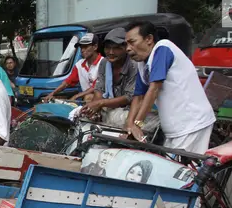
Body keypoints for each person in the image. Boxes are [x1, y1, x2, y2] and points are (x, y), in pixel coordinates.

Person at [124, 21, 216, 153]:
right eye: (126, 44)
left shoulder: (163, 48)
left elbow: (154, 89)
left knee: (184, 171)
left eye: (132, 42)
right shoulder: (142, 63)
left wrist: (138, 124)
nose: (128, 48)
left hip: (192, 123)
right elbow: (138, 97)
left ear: (149, 39)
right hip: (174, 128)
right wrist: (130, 124)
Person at [83, 27, 158, 131]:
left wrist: (100, 103)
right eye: (107, 48)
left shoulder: (134, 64)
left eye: (116, 48)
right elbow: (99, 90)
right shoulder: (105, 63)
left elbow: (130, 97)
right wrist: (94, 109)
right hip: (111, 108)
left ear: (125, 48)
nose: (111, 52)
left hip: (132, 111)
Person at [45, 33, 102, 102]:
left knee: (89, 97)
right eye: (81, 47)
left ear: (95, 47)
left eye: (85, 47)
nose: (82, 50)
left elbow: (95, 87)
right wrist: (52, 94)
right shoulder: (79, 65)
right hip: (87, 99)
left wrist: (76, 96)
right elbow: (67, 83)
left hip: (102, 100)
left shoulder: (103, 63)